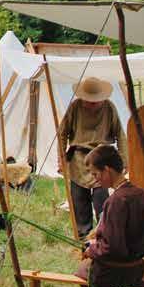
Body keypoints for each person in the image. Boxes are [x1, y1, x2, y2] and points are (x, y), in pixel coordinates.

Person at [76, 144, 144, 287]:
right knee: (88, 268)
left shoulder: (116, 201)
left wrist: (91, 249)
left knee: (82, 272)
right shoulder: (138, 193)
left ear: (107, 170)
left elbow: (112, 247)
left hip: (120, 271)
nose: (95, 180)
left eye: (96, 174)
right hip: (137, 267)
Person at [59, 77, 127, 238]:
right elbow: (62, 133)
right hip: (78, 161)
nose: (92, 104)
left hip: (101, 161)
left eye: (95, 101)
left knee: (102, 202)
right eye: (88, 101)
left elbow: (120, 135)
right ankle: (84, 239)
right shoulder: (75, 107)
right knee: (79, 203)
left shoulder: (109, 108)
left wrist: (124, 161)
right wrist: (61, 159)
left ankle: (104, 236)